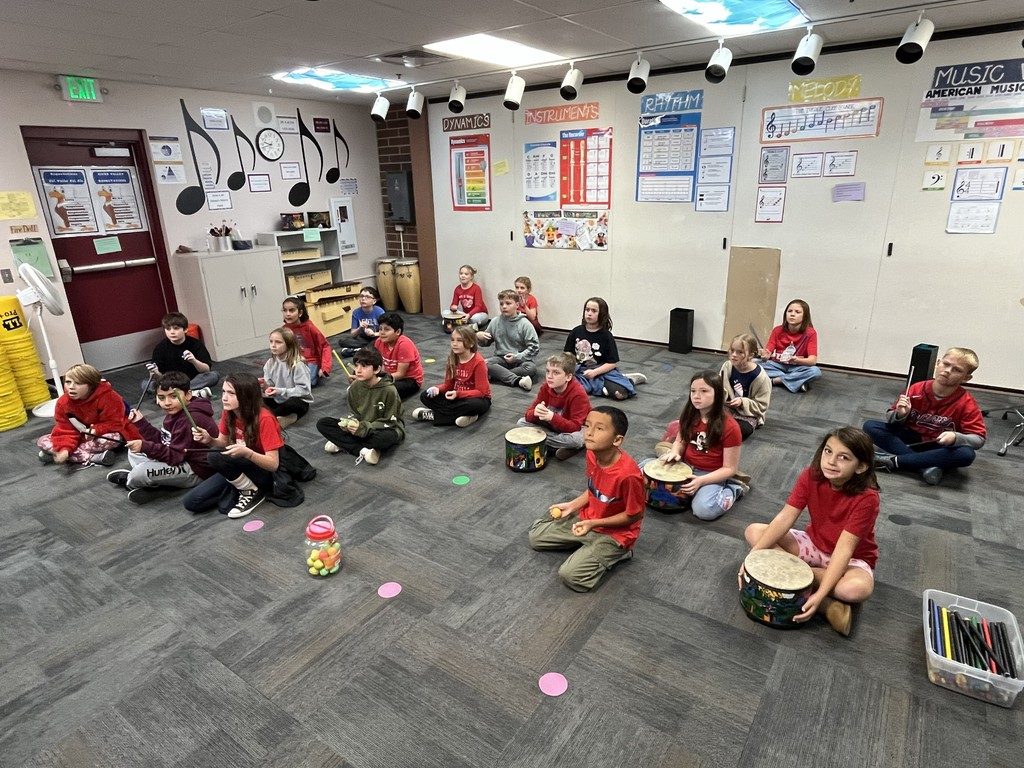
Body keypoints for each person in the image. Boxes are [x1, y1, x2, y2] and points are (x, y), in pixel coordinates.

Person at [742, 426, 880, 637]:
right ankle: (824, 602)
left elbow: (844, 549)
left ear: (861, 466)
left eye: (843, 457)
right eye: (828, 451)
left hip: (851, 558)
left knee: (856, 589)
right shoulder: (811, 475)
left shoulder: (867, 498)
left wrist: (821, 591)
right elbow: (785, 517)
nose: (831, 461)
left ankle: (803, 583)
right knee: (754, 532)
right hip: (814, 544)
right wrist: (752, 558)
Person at [527, 406, 645, 592]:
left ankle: (621, 553)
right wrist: (572, 506)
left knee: (571, 576)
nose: (589, 433)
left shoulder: (628, 476)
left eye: (599, 429)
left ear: (617, 440)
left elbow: (634, 515)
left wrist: (593, 523)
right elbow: (595, 490)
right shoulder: (592, 453)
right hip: (589, 519)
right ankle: (585, 544)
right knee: (535, 537)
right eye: (588, 426)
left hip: (615, 534)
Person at [864, 347, 985, 486]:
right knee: (870, 426)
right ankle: (926, 466)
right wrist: (900, 414)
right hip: (911, 438)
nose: (948, 371)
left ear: (966, 378)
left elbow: (979, 439)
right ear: (937, 364)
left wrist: (956, 437)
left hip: (938, 446)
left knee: (966, 454)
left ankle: (895, 461)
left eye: (957, 370)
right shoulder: (916, 388)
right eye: (945, 364)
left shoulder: (967, 403)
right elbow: (891, 420)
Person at [107, 371, 219, 504]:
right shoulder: (176, 411)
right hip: (179, 458)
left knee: (140, 473)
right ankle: (157, 481)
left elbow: (174, 456)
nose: (167, 403)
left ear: (189, 395)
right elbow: (164, 441)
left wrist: (145, 447)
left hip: (196, 470)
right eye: (161, 398)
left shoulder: (189, 419)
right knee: (134, 450)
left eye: (173, 396)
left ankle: (135, 481)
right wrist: (141, 423)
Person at [183, 372, 283, 519]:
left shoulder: (264, 418)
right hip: (240, 466)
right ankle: (245, 487)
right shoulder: (229, 411)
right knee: (192, 502)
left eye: (231, 393)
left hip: (263, 470)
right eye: (223, 391)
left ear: (246, 396)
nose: (224, 397)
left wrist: (247, 453)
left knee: (214, 456)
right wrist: (209, 439)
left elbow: (273, 464)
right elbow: (222, 443)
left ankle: (252, 491)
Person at [656, 370, 747, 520]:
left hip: (710, 474)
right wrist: (675, 451)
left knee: (704, 510)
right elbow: (680, 440)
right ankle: (692, 492)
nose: (696, 396)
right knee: (642, 470)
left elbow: (730, 468)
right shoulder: (690, 414)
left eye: (704, 391)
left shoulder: (731, 427)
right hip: (685, 465)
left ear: (717, 394)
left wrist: (701, 481)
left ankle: (733, 488)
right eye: (693, 391)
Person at [37, 363, 141, 467]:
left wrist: (96, 430)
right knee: (42, 440)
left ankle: (63, 455)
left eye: (78, 383)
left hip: (105, 433)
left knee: (110, 439)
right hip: (81, 437)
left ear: (91, 385)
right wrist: (65, 448)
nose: (71, 387)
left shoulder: (109, 397)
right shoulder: (63, 403)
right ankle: (92, 458)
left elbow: (116, 423)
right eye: (68, 382)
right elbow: (65, 429)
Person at [316, 347, 404, 466]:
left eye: (364, 366)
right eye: (356, 366)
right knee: (323, 423)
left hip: (384, 427)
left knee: (385, 438)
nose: (358, 370)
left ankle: (343, 443)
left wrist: (363, 428)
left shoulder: (389, 390)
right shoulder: (354, 387)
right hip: (362, 426)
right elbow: (356, 413)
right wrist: (350, 424)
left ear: (377, 369)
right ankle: (363, 450)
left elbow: (390, 421)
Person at [564, 297, 646, 400]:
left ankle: (628, 380)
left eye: (594, 311)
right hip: (580, 371)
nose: (589, 313)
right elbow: (568, 355)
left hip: (602, 371)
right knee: (571, 389)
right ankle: (602, 388)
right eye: (587, 310)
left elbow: (611, 363)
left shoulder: (606, 336)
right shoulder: (576, 331)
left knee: (619, 394)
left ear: (601, 314)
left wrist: (594, 372)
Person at [516, 352, 591, 461]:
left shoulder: (578, 394)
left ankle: (543, 443)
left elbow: (575, 426)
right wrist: (535, 413)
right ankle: (558, 446)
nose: (550, 376)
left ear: (568, 377)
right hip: (553, 427)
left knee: (577, 440)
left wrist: (552, 417)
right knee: (520, 423)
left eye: (556, 373)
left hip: (573, 429)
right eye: (547, 371)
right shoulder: (545, 387)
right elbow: (528, 415)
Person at [412, 326, 491, 428]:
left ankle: (434, 415)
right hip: (457, 397)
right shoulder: (452, 359)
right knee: (425, 396)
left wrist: (458, 394)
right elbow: (448, 386)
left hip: (477, 399)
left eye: (459, 341)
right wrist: (437, 389)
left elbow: (481, 392)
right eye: (452, 340)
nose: (454, 344)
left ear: (471, 343)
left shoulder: (478, 362)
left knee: (473, 405)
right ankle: (464, 415)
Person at [143, 312, 219, 397]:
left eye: (176, 328)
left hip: (191, 380)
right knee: (146, 384)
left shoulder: (196, 344)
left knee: (213, 375)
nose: (172, 332)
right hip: (169, 382)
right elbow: (159, 377)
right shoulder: (160, 348)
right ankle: (190, 392)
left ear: (185, 329)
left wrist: (194, 361)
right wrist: (154, 372)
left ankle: (174, 393)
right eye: (168, 329)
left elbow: (206, 370)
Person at [477, 289, 539, 391]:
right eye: (501, 304)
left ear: (517, 305)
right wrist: (478, 336)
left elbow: (534, 347)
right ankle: (517, 380)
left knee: (531, 368)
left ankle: (499, 375)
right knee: (484, 364)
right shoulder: (495, 322)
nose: (504, 306)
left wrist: (517, 357)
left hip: (522, 360)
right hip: (501, 359)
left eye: (508, 303)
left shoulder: (525, 324)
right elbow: (486, 343)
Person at [757, 299, 821, 393]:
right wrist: (765, 356)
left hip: (798, 367)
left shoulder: (810, 333)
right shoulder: (777, 330)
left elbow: (812, 361)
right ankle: (797, 381)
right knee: (751, 363)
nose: (792, 314)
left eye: (797, 312)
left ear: (805, 316)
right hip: (778, 366)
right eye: (789, 311)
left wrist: (796, 360)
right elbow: (768, 351)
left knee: (815, 372)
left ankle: (775, 381)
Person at [719, 333, 772, 440]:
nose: (733, 354)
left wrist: (742, 402)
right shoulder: (727, 366)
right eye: (732, 350)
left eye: (740, 352)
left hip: (747, 415)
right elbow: (718, 385)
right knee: (700, 412)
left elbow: (762, 406)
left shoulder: (760, 378)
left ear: (751, 355)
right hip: (726, 408)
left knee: (741, 430)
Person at [262, 327, 313, 429]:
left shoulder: (297, 364)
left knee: (292, 404)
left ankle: (285, 417)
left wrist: (280, 391)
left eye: (278, 342)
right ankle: (280, 417)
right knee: (253, 401)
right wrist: (265, 386)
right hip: (278, 399)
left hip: (297, 400)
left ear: (289, 344)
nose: (273, 345)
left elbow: (304, 390)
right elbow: (271, 387)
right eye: (271, 341)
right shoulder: (270, 363)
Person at [281, 295, 331, 386]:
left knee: (308, 382)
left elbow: (325, 346)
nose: (287, 314)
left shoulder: (309, 326)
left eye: (291, 310)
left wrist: (325, 368)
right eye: (285, 310)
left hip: (310, 360)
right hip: (293, 361)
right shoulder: (284, 330)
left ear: (300, 313)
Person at [373, 311, 423, 400]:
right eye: (380, 329)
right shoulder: (378, 342)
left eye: (387, 329)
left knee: (385, 390)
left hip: (409, 380)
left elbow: (400, 374)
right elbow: (376, 364)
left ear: (398, 331)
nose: (382, 332)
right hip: (390, 375)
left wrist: (378, 381)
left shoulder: (404, 344)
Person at [339, 286, 385, 355]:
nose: (363, 299)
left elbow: (386, 332)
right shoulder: (356, 312)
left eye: (367, 297)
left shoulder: (380, 312)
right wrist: (360, 328)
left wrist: (374, 334)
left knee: (380, 341)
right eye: (361, 296)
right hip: (363, 339)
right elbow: (352, 335)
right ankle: (366, 349)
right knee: (342, 341)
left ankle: (358, 350)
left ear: (374, 301)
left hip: (376, 338)